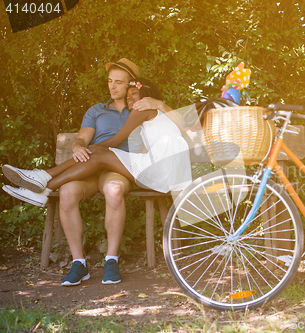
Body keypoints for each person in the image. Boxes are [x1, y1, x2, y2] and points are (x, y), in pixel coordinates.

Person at [1, 59, 182, 287]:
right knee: (67, 192)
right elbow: (82, 139)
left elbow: (176, 126)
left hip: (120, 169)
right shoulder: (96, 110)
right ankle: (79, 263)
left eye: (119, 83)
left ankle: (111, 259)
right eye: (110, 81)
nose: (112, 87)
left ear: (132, 86)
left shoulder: (140, 107)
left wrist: (157, 102)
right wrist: (78, 146)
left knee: (113, 188)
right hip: (90, 165)